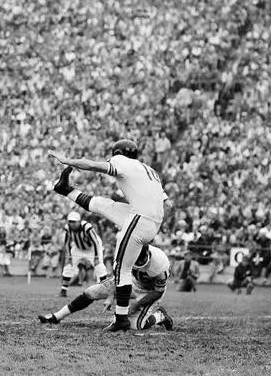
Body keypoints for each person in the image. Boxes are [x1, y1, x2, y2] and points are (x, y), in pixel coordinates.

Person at [49, 139, 169, 332]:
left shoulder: (122, 162)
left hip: (141, 218)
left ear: (118, 153)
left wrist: (68, 161)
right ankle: (65, 190)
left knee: (121, 268)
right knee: (105, 206)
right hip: (150, 218)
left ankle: (121, 318)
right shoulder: (149, 171)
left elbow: (92, 165)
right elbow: (166, 202)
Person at [38, 242, 174, 332]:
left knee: (135, 326)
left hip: (150, 291)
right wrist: (111, 295)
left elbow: (157, 292)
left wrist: (137, 305)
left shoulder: (160, 262)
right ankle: (57, 316)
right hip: (131, 281)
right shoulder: (123, 254)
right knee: (91, 292)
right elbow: (119, 278)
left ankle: (160, 316)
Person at [59, 210, 106, 296]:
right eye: (70, 221)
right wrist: (69, 256)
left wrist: (96, 257)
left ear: (79, 221)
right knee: (68, 266)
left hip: (92, 247)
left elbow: (96, 242)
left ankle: (104, 290)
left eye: (74, 221)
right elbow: (66, 243)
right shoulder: (67, 228)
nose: (72, 223)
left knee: (100, 266)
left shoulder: (87, 227)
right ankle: (63, 290)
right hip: (78, 248)